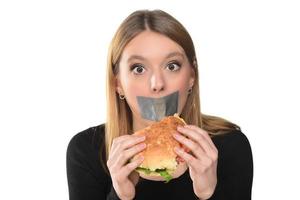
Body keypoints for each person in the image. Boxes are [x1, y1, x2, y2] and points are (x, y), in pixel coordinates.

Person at [66, 9, 253, 200]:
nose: (157, 84)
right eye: (139, 69)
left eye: (172, 66)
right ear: (118, 83)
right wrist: (120, 196)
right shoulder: (85, 150)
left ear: (191, 76)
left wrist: (208, 194)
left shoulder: (230, 146)